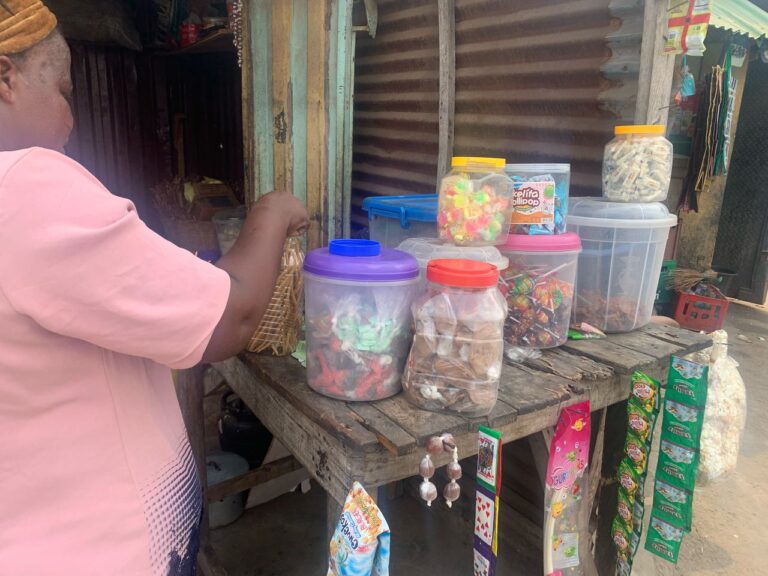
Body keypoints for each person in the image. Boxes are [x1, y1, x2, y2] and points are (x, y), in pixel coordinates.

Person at [0, 1, 309, 574]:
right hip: (102, 552)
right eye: (64, 91)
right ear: (5, 78)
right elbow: (230, 318)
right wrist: (270, 210)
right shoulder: (25, 188)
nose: (71, 118)